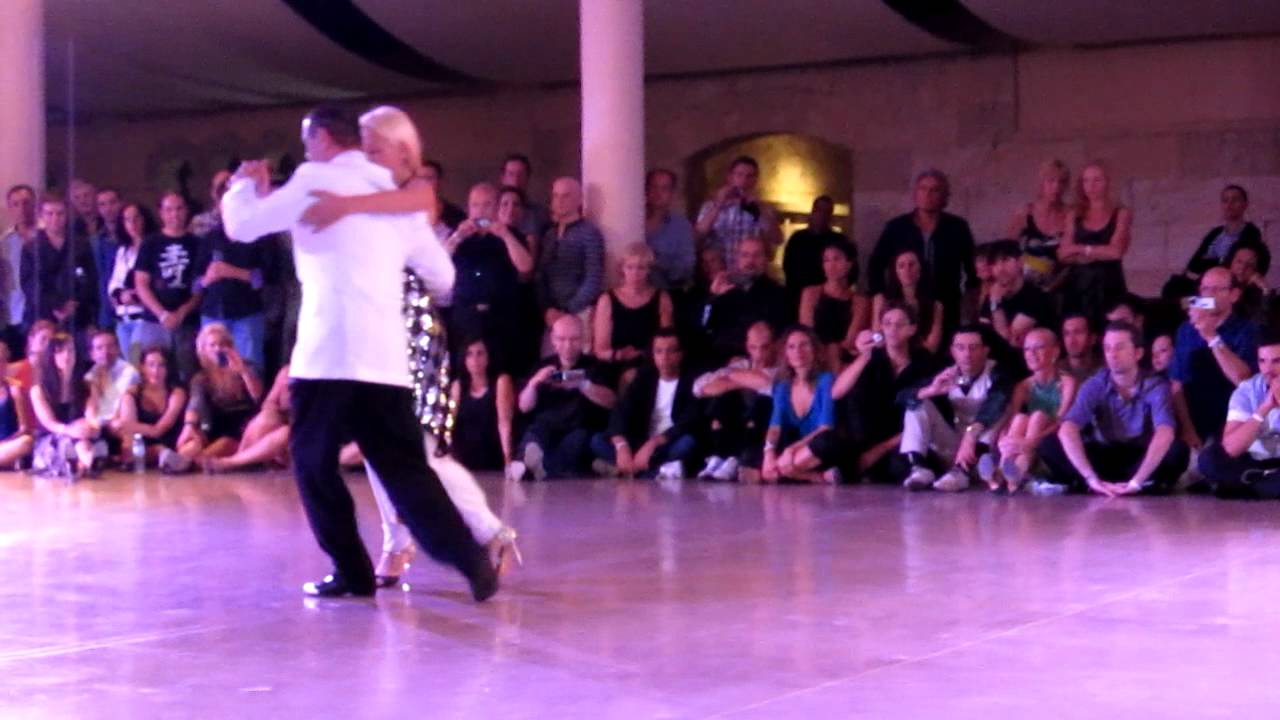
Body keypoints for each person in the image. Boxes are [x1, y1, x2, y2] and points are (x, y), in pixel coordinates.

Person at [222, 104, 500, 600]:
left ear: (325, 139)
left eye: (309, 142)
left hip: (327, 355)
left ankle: (352, 571)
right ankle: (469, 558)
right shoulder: (397, 198)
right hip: (384, 359)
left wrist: (245, 183)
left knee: (312, 464)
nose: (306, 152)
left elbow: (242, 225)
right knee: (406, 471)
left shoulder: (313, 180)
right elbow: (444, 277)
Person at [297, 106, 522, 584]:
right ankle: (400, 541)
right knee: (386, 447)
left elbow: (441, 277)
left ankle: (485, 532)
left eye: (374, 148)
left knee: (417, 449)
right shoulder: (372, 190)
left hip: (409, 328)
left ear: (401, 152)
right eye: (363, 146)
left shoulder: (407, 194)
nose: (364, 156)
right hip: (373, 333)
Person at [1039, 321, 1188, 496]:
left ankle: (1141, 483)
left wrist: (1136, 482)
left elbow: (1165, 431)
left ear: (1138, 353)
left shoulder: (1155, 386)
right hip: (1103, 455)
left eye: (1119, 348)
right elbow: (1068, 428)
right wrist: (1090, 477)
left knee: (1177, 451)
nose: (1112, 354)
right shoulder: (1095, 383)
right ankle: (1094, 484)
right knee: (1049, 445)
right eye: (1107, 348)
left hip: (1140, 455)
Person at [898, 326, 1012, 492]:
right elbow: (901, 397)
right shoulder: (947, 373)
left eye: (973, 348)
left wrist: (972, 433)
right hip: (955, 443)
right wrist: (931, 390)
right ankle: (918, 467)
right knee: (917, 404)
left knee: (1003, 412)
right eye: (960, 348)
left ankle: (962, 472)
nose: (967, 354)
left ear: (985, 350)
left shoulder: (997, 373)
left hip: (985, 448)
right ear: (952, 351)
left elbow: (996, 403)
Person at [831, 303, 937, 483]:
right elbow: (836, 392)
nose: (892, 329)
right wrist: (864, 355)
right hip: (867, 436)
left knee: (899, 465)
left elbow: (924, 417)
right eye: (887, 324)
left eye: (899, 324)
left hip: (902, 438)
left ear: (912, 329)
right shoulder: (872, 357)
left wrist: (879, 450)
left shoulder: (924, 363)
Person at [866, 169, 976, 334]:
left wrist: (970, 305)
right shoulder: (897, 227)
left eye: (934, 190)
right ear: (915, 194)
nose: (928, 194)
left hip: (946, 304)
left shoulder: (957, 227)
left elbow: (972, 269)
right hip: (903, 306)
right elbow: (875, 265)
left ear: (945, 196)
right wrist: (882, 296)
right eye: (923, 189)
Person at [439, 182, 533, 373]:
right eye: (475, 205)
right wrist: (457, 237)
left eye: (486, 205)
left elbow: (526, 267)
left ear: (497, 207)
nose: (480, 211)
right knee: (463, 374)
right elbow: (437, 263)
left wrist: (505, 235)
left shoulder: (512, 235)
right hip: (465, 317)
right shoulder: (457, 237)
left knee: (502, 373)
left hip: (501, 317)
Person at [510, 314, 616, 481]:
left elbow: (611, 401)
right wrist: (534, 383)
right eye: (562, 339)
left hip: (577, 428)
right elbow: (524, 406)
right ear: (553, 340)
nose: (568, 345)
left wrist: (583, 384)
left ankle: (533, 467)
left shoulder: (596, 366)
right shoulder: (542, 365)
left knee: (577, 443)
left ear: (583, 339)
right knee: (533, 436)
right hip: (546, 427)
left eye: (574, 339)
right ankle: (531, 464)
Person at [591, 329, 700, 479]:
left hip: (667, 442)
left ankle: (631, 471)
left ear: (680, 354)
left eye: (671, 351)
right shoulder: (644, 378)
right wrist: (622, 445)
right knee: (597, 440)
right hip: (639, 442)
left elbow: (688, 422)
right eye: (659, 352)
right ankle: (651, 471)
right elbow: (620, 411)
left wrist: (653, 443)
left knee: (687, 443)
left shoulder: (691, 381)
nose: (664, 357)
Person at [1169, 267, 1258, 450]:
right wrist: (1187, 429)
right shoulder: (1186, 330)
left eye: (1217, 289)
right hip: (1193, 419)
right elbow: (1176, 383)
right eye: (1204, 289)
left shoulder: (1248, 330)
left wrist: (1211, 337)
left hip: (1232, 418)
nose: (1208, 296)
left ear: (1234, 295)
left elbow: (1243, 380)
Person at [983, 328, 1077, 493]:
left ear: (1055, 351)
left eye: (1038, 347)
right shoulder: (1023, 386)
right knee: (1020, 419)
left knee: (1038, 416)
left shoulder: (1067, 382)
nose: (1031, 353)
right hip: (1027, 438)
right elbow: (1010, 418)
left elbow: (1061, 420)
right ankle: (1006, 471)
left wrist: (1031, 441)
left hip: (1053, 438)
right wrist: (1005, 442)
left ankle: (1008, 475)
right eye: (1027, 349)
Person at [693, 321, 778, 483]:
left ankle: (735, 458)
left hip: (762, 424)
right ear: (747, 346)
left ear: (774, 345)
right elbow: (699, 387)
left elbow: (768, 386)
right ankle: (719, 457)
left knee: (762, 402)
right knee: (724, 399)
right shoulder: (742, 364)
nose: (759, 354)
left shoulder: (780, 369)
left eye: (764, 347)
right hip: (735, 418)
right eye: (754, 347)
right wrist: (742, 380)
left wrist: (732, 377)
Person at [1198, 334, 1280, 499]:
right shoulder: (1247, 390)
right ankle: (1258, 483)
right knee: (1209, 459)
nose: (1268, 370)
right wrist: (1264, 408)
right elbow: (1231, 448)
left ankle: (1249, 485)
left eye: (1277, 361)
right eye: (1262, 361)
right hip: (1252, 460)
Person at [173, 323, 263, 471]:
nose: (218, 349)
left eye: (222, 344)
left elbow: (258, 396)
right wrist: (188, 427)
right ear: (204, 350)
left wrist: (243, 371)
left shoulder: (247, 367)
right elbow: (194, 404)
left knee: (221, 445)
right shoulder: (201, 378)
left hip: (242, 430)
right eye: (212, 345)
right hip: (215, 429)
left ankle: (189, 464)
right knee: (190, 445)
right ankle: (183, 462)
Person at [133, 192, 203, 381]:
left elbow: (200, 285)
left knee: (188, 374)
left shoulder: (197, 244)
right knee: (150, 374)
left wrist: (182, 312)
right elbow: (141, 283)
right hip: (153, 320)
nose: (175, 214)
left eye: (179, 208)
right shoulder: (150, 243)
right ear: (161, 213)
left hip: (187, 322)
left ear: (187, 211)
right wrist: (162, 313)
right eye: (169, 209)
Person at [761, 327, 839, 484]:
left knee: (825, 441)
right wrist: (768, 454)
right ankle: (814, 477)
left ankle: (789, 472)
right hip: (797, 448)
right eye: (791, 347)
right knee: (755, 457)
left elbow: (825, 428)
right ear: (786, 354)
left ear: (815, 350)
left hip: (817, 445)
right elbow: (775, 427)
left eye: (804, 345)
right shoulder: (782, 385)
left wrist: (791, 450)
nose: (798, 351)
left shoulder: (826, 380)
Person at [1057, 161, 1131, 325]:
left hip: (1109, 285)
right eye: (1086, 181)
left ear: (1107, 182)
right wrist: (1098, 252)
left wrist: (1083, 250)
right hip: (1079, 286)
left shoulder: (1120, 213)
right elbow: (1063, 253)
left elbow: (1116, 251)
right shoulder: (1074, 214)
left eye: (1097, 180)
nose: (1091, 186)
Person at [593, 242, 674, 385]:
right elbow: (600, 349)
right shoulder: (607, 299)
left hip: (651, 361)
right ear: (622, 269)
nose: (635, 274)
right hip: (616, 362)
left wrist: (646, 355)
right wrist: (619, 355)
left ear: (648, 270)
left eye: (641, 268)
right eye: (630, 267)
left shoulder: (661, 298)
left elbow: (667, 340)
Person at [704, 235, 790, 365]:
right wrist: (713, 298)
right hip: (721, 361)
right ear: (737, 260)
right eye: (745, 255)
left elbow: (781, 335)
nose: (750, 261)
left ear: (766, 259)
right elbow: (706, 326)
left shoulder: (778, 293)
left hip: (761, 362)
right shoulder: (723, 290)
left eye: (757, 255)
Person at [20, 195, 98, 335]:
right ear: (41, 216)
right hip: (41, 315)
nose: (55, 218)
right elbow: (29, 283)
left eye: (60, 213)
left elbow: (90, 279)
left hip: (77, 314)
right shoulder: (31, 248)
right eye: (49, 214)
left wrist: (74, 303)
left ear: (67, 215)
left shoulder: (81, 245)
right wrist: (56, 305)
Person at [29, 332, 100, 477]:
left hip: (80, 434)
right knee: (70, 443)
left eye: (70, 350)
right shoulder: (38, 390)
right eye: (60, 351)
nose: (66, 356)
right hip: (52, 437)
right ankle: (83, 464)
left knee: (84, 440)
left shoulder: (87, 385)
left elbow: (91, 415)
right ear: (52, 356)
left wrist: (90, 425)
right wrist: (69, 430)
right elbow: (49, 423)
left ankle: (82, 465)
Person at [1178, 184, 1267, 288]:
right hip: (1203, 285)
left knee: (1198, 302)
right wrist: (1219, 260)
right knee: (1175, 293)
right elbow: (1193, 265)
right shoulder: (1215, 233)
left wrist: (1210, 262)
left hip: (1228, 290)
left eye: (1235, 200)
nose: (1229, 204)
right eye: (1225, 200)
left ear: (1245, 204)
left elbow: (1237, 267)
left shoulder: (1251, 232)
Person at [694, 155, 782, 260]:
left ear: (755, 180)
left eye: (749, 176)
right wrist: (718, 205)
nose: (744, 180)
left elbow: (778, 239)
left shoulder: (763, 208)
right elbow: (698, 235)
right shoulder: (710, 206)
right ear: (730, 177)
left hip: (749, 270)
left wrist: (760, 210)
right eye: (739, 175)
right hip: (719, 269)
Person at [450, 337, 515, 473]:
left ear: (488, 357)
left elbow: (504, 422)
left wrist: (508, 459)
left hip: (492, 454)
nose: (475, 360)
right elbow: (450, 424)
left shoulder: (501, 382)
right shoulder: (458, 386)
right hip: (464, 456)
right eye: (469, 354)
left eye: (480, 353)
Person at [798, 242, 865, 369]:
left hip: (843, 359)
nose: (831, 265)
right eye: (826, 260)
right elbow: (807, 332)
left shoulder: (860, 301)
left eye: (837, 259)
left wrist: (834, 352)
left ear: (849, 264)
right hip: (813, 356)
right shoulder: (810, 293)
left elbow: (850, 341)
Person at [979, 239, 1055, 351]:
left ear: (1020, 262)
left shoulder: (1035, 296)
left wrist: (995, 304)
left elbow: (1007, 341)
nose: (1000, 269)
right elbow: (982, 336)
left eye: (1005, 260)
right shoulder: (991, 295)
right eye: (994, 264)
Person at [1007, 160, 1071, 292]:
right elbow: (1007, 250)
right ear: (1042, 183)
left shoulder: (1070, 216)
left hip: (1060, 288)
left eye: (1062, 182)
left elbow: (1072, 259)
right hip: (1023, 287)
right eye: (1051, 181)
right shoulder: (1025, 213)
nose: (1056, 187)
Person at [117, 347, 187, 468]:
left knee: (162, 449)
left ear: (168, 368)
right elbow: (128, 429)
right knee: (129, 441)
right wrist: (126, 426)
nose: (156, 371)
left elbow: (159, 430)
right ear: (142, 368)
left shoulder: (177, 393)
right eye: (151, 365)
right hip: (141, 444)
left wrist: (128, 425)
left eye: (161, 365)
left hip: (170, 441)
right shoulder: (131, 394)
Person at [783, 195, 851, 310]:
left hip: (831, 298)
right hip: (797, 297)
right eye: (819, 210)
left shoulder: (839, 240)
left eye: (827, 211)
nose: (822, 215)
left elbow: (850, 271)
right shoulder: (797, 238)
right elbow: (788, 267)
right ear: (813, 211)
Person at [108, 202, 157, 362]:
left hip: (143, 318)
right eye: (127, 220)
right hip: (123, 318)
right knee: (127, 362)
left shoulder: (153, 247)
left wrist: (135, 296)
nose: (132, 224)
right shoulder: (123, 251)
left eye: (136, 218)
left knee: (135, 362)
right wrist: (120, 295)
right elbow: (114, 283)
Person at [872, 248, 943, 354]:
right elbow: (876, 334)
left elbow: (932, 347)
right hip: (887, 355)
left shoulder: (936, 305)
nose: (907, 270)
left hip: (921, 359)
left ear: (920, 269)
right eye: (901, 266)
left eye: (912, 265)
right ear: (895, 271)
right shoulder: (881, 299)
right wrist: (882, 344)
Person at [84, 331, 141, 461]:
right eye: (99, 348)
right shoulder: (91, 374)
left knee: (127, 401)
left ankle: (128, 454)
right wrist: (95, 420)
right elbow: (94, 401)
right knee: (89, 406)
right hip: (105, 420)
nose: (105, 352)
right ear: (92, 354)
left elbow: (118, 401)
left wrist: (107, 420)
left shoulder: (129, 372)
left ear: (118, 349)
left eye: (110, 346)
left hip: (123, 420)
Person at [644, 169, 695, 291]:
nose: (658, 193)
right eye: (653, 187)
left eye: (664, 188)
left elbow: (686, 268)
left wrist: (656, 260)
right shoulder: (631, 220)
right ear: (646, 190)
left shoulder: (681, 226)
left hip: (666, 294)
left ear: (672, 193)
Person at [3, 184, 38, 353]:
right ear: (9, 208)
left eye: (26, 203)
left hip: (40, 316)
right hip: (12, 316)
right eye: (15, 204)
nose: (21, 209)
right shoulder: (4, 243)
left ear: (34, 205)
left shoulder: (46, 237)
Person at [7, 319, 54, 433]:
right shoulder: (14, 369)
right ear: (31, 339)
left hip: (47, 428)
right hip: (22, 429)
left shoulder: (54, 373)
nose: (47, 344)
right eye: (43, 339)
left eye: (51, 341)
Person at [90, 187, 123, 332]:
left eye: (112, 202)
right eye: (102, 204)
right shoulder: (94, 241)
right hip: (104, 311)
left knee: (134, 353)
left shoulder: (133, 238)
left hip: (131, 309)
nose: (108, 208)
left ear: (120, 203)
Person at [499, 153, 550, 239]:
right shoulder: (491, 208)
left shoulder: (539, 213)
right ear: (503, 178)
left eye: (521, 174)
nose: (516, 180)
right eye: (511, 174)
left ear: (527, 177)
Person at [0, 343, 34, 468]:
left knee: (26, 442)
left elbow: (23, 428)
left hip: (7, 445)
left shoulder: (14, 389)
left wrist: (5, 443)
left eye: (2, 360)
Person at [1060, 314, 1100, 384]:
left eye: (1078, 333)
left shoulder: (1105, 371)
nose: (1071, 341)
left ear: (1093, 338)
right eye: (1066, 334)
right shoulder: (1055, 370)